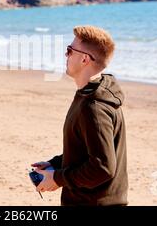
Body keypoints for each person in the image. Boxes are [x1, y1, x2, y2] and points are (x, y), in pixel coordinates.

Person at [31, 25, 128, 206]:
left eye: (69, 51)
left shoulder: (94, 107)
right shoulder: (88, 94)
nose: (66, 55)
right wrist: (56, 164)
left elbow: (102, 167)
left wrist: (58, 178)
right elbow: (87, 151)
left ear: (84, 59)